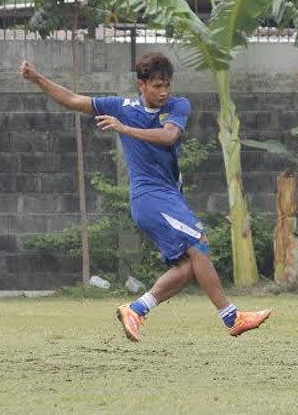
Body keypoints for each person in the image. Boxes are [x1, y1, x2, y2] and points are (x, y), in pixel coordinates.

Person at [20, 53, 270, 342]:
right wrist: (37, 78)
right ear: (141, 85)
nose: (164, 92)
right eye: (156, 86)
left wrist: (124, 129)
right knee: (199, 245)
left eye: (167, 86)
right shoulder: (121, 107)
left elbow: (168, 137)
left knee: (190, 264)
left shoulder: (178, 106)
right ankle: (231, 316)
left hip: (169, 197)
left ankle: (137, 309)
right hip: (149, 197)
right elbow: (73, 100)